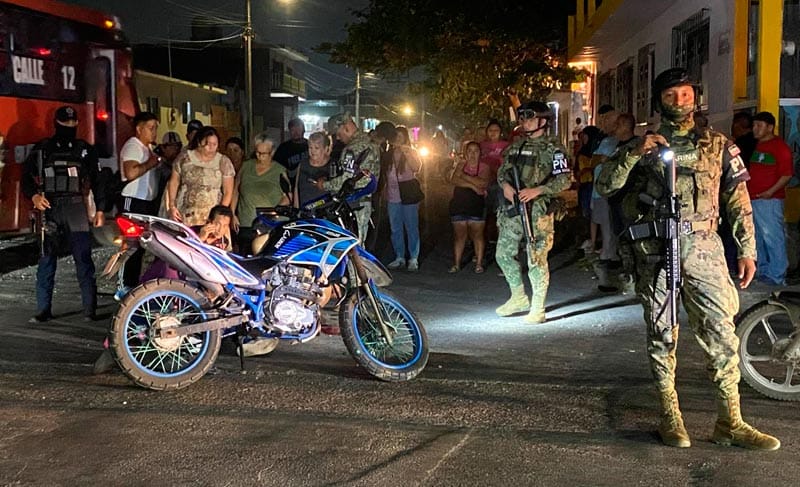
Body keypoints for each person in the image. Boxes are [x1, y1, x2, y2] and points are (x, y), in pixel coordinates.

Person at [595, 67, 779, 451]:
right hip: (656, 250)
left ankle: (731, 421)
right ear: (659, 100)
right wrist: (633, 153)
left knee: (721, 333)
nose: (680, 101)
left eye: (685, 94)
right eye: (671, 95)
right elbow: (605, 185)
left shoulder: (718, 144)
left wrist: (747, 250)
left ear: (695, 97)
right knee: (663, 334)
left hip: (705, 249)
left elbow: (737, 199)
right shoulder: (643, 144)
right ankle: (670, 417)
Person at [22, 106, 107, 322]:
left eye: (73, 123)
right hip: (50, 207)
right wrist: (34, 197)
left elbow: (99, 181)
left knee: (83, 259)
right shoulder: (43, 149)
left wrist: (100, 209)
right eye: (65, 123)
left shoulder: (84, 149)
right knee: (46, 259)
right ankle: (43, 310)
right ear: (57, 123)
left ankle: (89, 309)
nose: (70, 127)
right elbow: (25, 178)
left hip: (75, 207)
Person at [495, 101, 572, 324]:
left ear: (542, 120)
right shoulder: (516, 146)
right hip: (514, 209)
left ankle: (538, 308)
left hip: (538, 212)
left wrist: (538, 190)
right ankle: (518, 296)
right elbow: (503, 171)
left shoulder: (554, 148)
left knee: (536, 259)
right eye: (522, 117)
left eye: (529, 117)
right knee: (502, 254)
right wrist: (505, 186)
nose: (524, 122)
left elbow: (565, 179)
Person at [117, 111, 163, 295]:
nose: (154, 132)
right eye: (151, 128)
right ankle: (124, 285)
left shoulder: (148, 149)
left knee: (142, 247)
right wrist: (150, 164)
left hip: (146, 202)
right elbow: (131, 173)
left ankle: (133, 283)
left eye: (156, 128)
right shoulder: (132, 146)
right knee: (131, 245)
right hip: (133, 201)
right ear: (139, 129)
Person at [747, 111, 793, 286]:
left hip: (769, 200)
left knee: (773, 236)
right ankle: (764, 270)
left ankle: (777, 274)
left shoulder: (779, 147)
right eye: (754, 125)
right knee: (758, 236)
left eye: (759, 125)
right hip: (754, 198)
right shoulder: (758, 146)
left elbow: (787, 175)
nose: (755, 129)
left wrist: (770, 191)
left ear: (770, 127)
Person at [322, 112, 380, 242]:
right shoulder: (370, 142)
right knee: (360, 245)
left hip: (354, 204)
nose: (337, 137)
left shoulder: (352, 148)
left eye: (337, 133)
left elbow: (346, 180)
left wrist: (324, 185)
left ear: (346, 127)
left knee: (353, 248)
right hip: (365, 201)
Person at [231, 132, 290, 253]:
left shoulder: (280, 170)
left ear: (272, 152)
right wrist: (232, 213)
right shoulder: (246, 166)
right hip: (246, 222)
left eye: (264, 154)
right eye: (257, 152)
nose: (260, 156)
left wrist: (274, 212)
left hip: (269, 224)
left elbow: (288, 197)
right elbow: (235, 191)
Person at [166, 126, 235, 227]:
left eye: (214, 144)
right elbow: (174, 182)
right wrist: (171, 205)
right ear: (199, 142)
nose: (211, 148)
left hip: (211, 213)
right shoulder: (184, 158)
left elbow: (228, 191)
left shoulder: (223, 161)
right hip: (186, 211)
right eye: (208, 144)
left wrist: (220, 215)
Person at [449, 140, 492, 273]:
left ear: (480, 153)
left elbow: (483, 182)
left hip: (477, 205)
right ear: (466, 153)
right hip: (459, 203)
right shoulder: (460, 165)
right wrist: (472, 185)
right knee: (459, 235)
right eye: (470, 151)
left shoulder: (484, 167)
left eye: (476, 151)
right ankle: (456, 263)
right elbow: (454, 179)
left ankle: (478, 263)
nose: (473, 154)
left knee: (477, 235)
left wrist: (464, 177)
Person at [384, 126, 423, 272]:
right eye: (396, 137)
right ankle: (399, 256)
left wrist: (407, 153)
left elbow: (417, 167)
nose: (398, 140)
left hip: (409, 195)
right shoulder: (388, 154)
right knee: (395, 228)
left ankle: (413, 257)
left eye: (401, 137)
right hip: (393, 196)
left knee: (411, 226)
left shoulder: (410, 152)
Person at [294, 131, 332, 207]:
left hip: (326, 211)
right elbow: (296, 188)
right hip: (305, 211)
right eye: (310, 147)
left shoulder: (333, 165)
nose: (313, 151)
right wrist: (296, 209)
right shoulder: (302, 165)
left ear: (325, 149)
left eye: (316, 148)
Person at [273, 117, 308, 186]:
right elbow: (276, 167)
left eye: (298, 129)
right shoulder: (283, 147)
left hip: (307, 184)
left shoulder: (310, 145)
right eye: (293, 130)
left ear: (303, 130)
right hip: (290, 184)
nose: (296, 132)